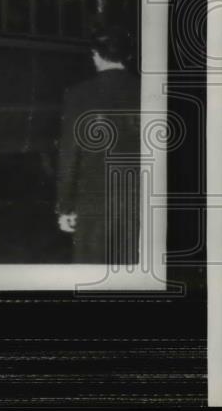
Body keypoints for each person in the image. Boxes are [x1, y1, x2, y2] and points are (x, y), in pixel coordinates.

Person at [56, 26, 141, 265]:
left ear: (95, 54)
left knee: (91, 274)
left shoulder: (79, 94)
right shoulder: (149, 91)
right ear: (129, 56)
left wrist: (65, 206)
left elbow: (69, 155)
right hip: (139, 202)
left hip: (95, 201)